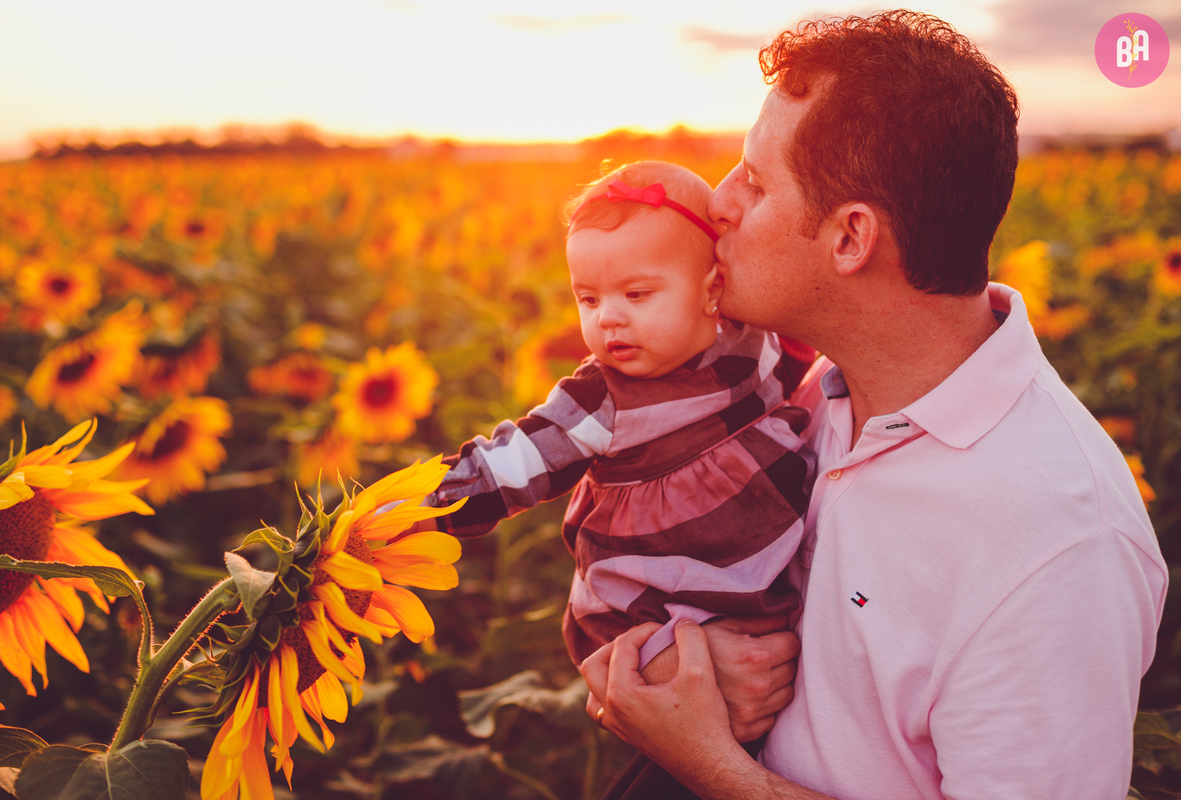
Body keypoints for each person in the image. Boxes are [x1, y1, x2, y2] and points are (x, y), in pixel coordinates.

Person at [580, 11, 1168, 800]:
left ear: (850, 239)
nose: (718, 203)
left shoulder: (1056, 546)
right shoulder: (801, 389)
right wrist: (689, 656)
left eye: (755, 182)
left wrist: (713, 767)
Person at [423, 160, 817, 672]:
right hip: (647, 605)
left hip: (758, 578)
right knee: (656, 678)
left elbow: (803, 356)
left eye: (637, 295)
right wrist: (426, 509)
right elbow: (515, 463)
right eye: (588, 299)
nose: (608, 316)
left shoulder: (753, 338)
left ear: (712, 289)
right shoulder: (602, 397)